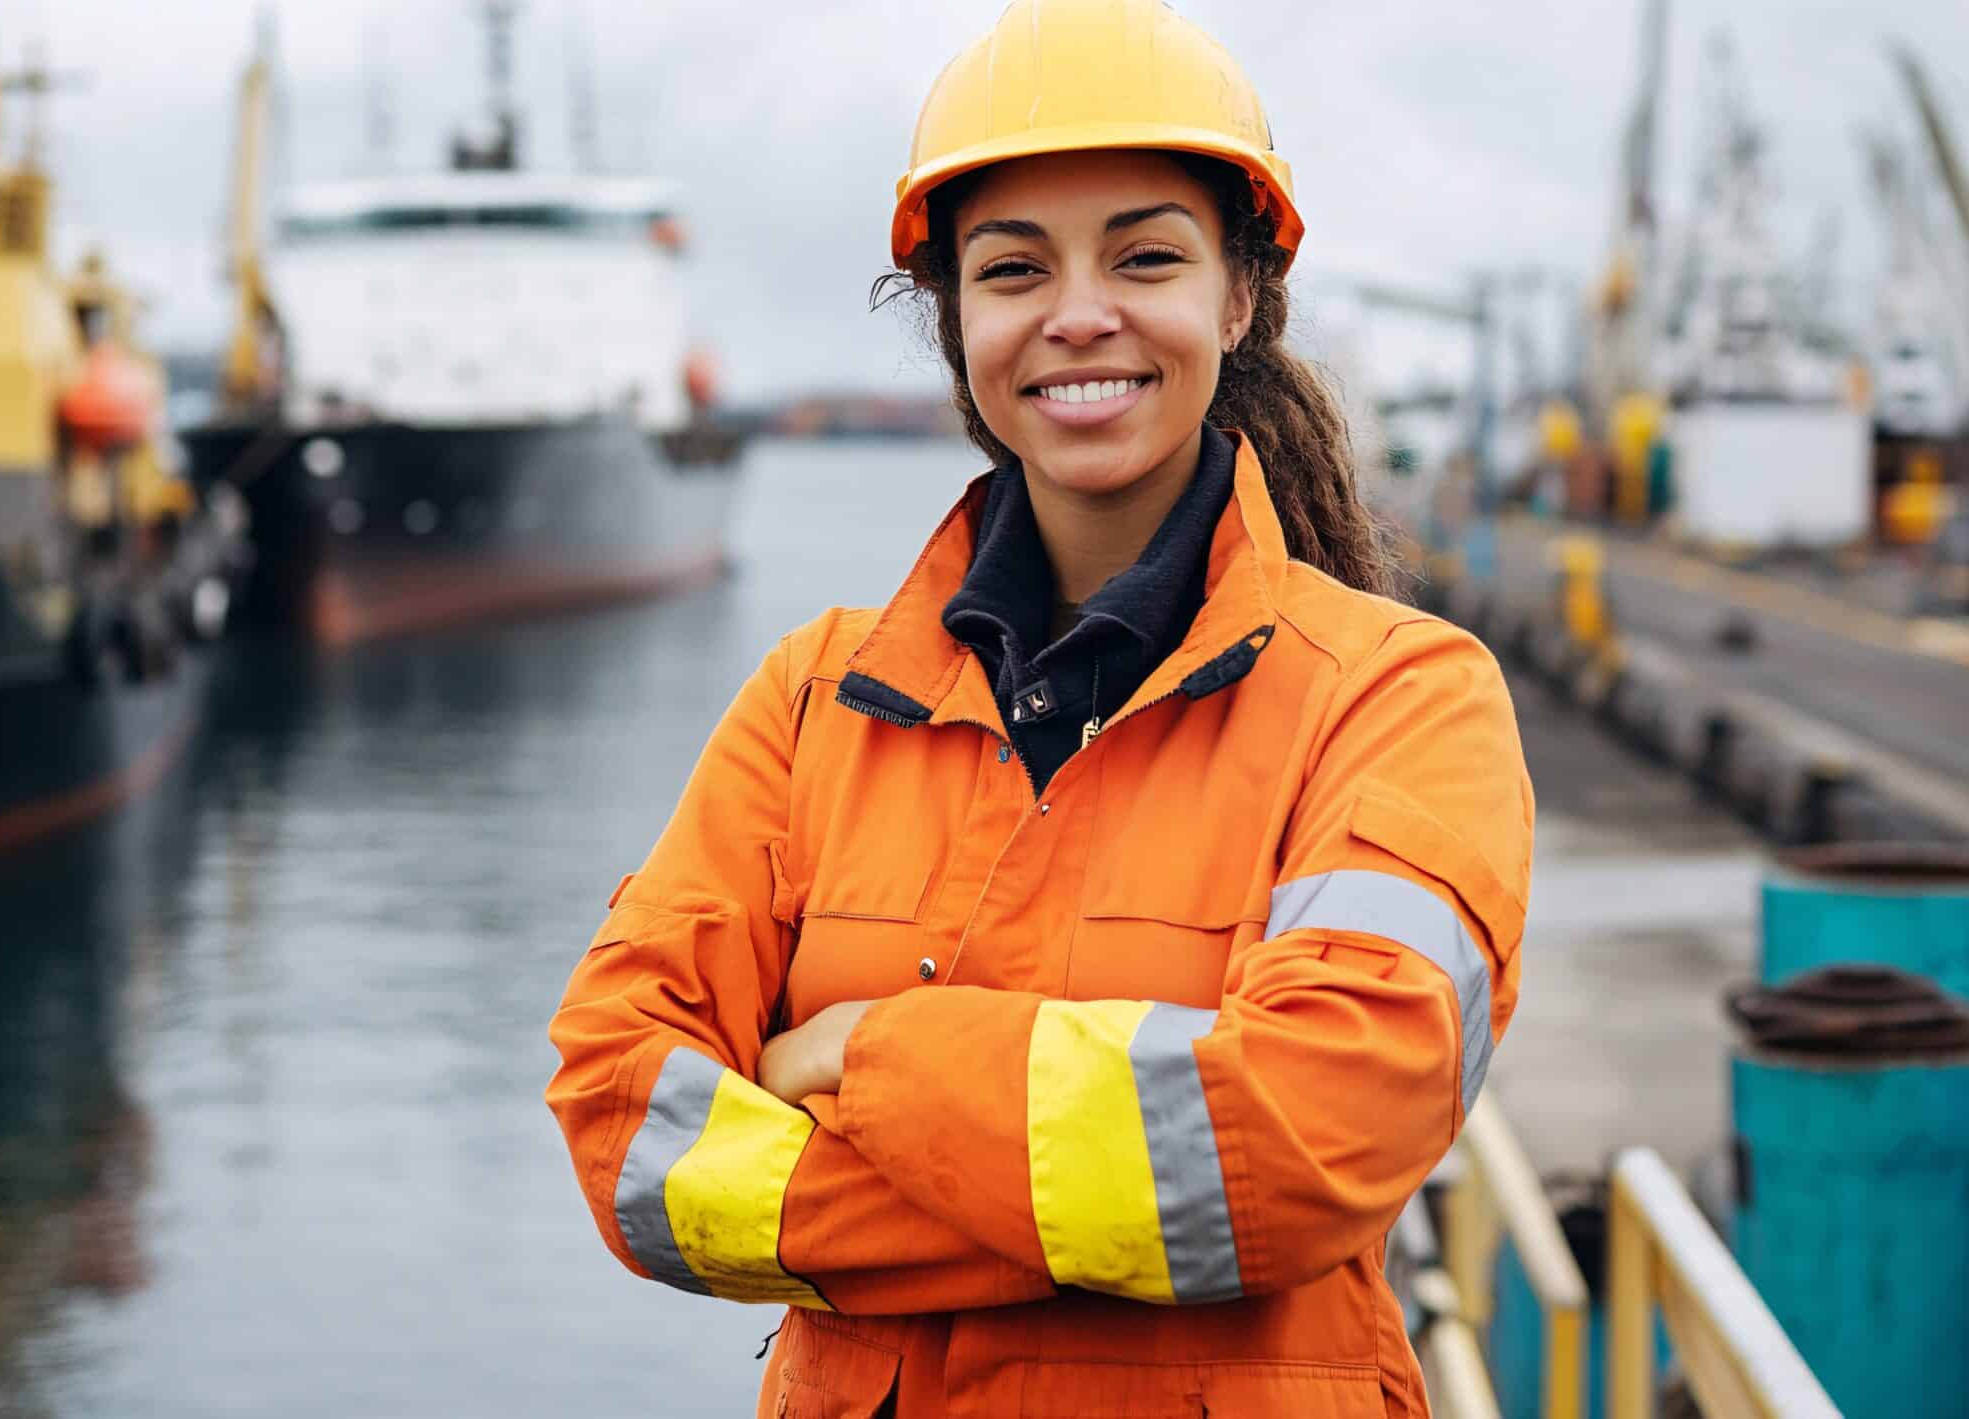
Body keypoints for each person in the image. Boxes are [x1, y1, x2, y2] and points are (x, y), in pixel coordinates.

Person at [545, 2, 1532, 1414]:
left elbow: (1303, 1146)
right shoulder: (814, 699)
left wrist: (855, 1060)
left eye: (1146, 256)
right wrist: (1119, 1205)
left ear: (1238, 299)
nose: (1081, 314)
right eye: (1015, 268)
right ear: (957, 321)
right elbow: (629, 1147)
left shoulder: (1397, 698)